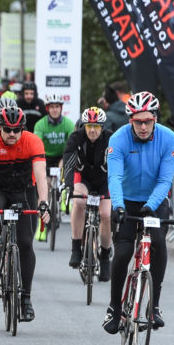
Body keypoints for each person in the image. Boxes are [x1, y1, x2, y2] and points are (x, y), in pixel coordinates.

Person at [102, 92, 174, 334]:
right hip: (127, 200)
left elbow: (166, 179)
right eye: (138, 122)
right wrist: (119, 206)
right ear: (130, 121)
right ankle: (114, 308)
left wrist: (152, 204)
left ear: (155, 119)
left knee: (157, 243)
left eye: (147, 121)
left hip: (154, 201)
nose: (143, 127)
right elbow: (114, 177)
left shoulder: (168, 138)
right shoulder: (118, 138)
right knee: (123, 252)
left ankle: (154, 307)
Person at [0, 106, 50, 322]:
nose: (12, 134)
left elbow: (41, 176)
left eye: (16, 130)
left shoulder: (32, 141)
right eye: (7, 130)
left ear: (22, 129)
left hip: (23, 189)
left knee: (26, 243)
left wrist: (43, 203)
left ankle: (26, 298)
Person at [63, 107, 113, 278]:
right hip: (83, 178)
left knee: (106, 214)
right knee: (78, 202)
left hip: (104, 179)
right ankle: (76, 247)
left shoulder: (110, 139)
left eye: (97, 126)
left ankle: (105, 256)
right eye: (89, 126)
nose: (92, 130)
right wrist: (69, 186)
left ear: (102, 127)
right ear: (83, 126)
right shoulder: (76, 138)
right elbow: (69, 164)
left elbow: (118, 164)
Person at [32, 94, 75, 241]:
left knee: (65, 162)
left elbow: (72, 145)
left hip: (62, 155)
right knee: (46, 185)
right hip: (46, 156)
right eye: (52, 107)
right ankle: (41, 227)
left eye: (57, 107)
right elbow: (37, 146)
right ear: (48, 109)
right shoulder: (40, 125)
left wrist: (64, 159)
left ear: (61, 108)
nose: (55, 110)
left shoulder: (69, 124)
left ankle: (63, 195)